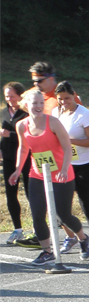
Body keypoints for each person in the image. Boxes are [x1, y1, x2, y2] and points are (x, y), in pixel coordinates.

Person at [7, 89, 89, 265]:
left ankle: (83, 238)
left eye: (41, 103)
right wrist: (17, 170)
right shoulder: (21, 125)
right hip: (38, 174)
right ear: (26, 105)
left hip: (62, 172)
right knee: (37, 214)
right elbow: (23, 148)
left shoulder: (53, 122)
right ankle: (47, 251)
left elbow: (67, 147)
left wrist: (63, 168)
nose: (39, 106)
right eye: (35, 103)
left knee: (63, 214)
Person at [51, 81, 89, 252]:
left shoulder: (84, 114)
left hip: (84, 164)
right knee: (58, 204)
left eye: (67, 98)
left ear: (74, 95)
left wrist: (69, 141)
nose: (63, 102)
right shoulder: (56, 112)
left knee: (85, 200)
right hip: (64, 164)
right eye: (60, 99)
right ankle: (70, 236)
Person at [2, 82, 29, 245]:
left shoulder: (26, 113)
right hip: (8, 157)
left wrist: (9, 134)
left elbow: (28, 136)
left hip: (26, 157)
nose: (9, 99)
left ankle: (38, 228)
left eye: (12, 96)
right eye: (7, 96)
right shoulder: (4, 112)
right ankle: (17, 229)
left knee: (30, 193)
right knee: (11, 193)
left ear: (20, 96)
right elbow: (2, 133)